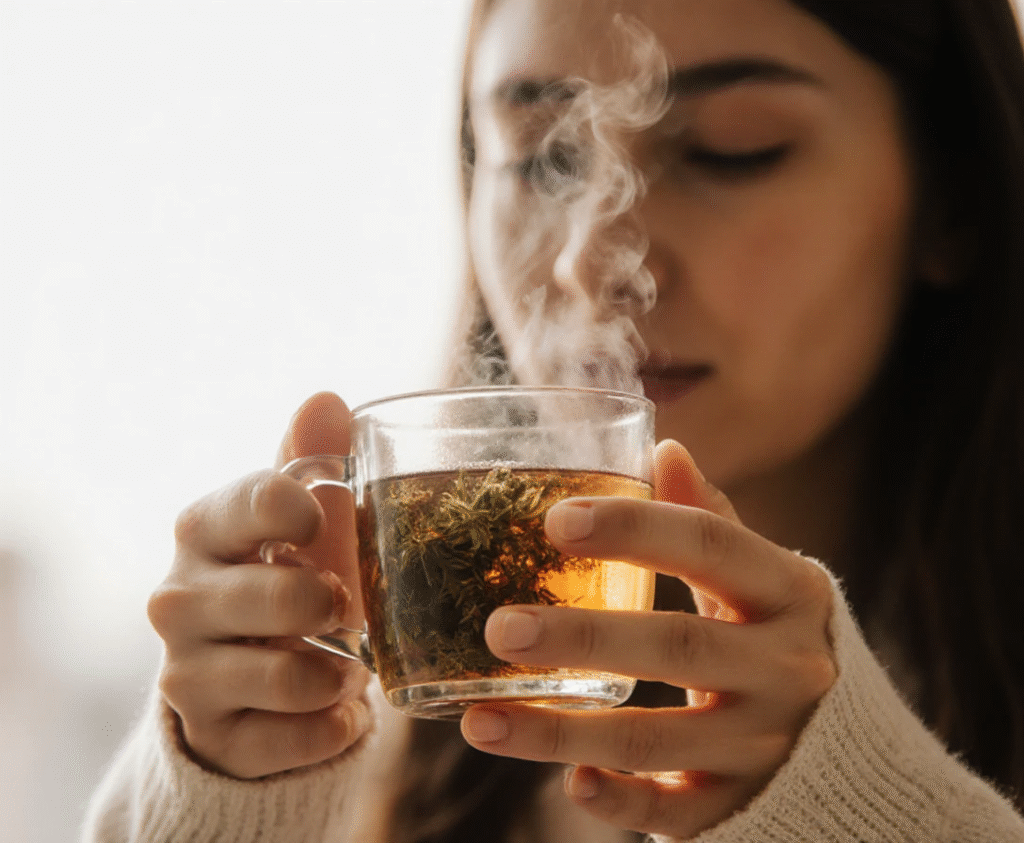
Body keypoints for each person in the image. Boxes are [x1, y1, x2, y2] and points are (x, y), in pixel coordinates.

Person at [83, 0, 1024, 841]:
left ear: (955, 201)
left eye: (732, 150)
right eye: (543, 157)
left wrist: (863, 809)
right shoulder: (359, 747)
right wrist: (219, 801)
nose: (591, 259)